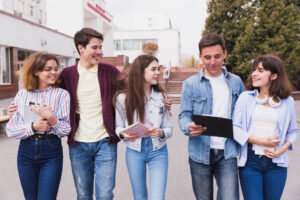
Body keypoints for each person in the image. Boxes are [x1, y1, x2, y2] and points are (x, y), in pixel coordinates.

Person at [178, 33, 245, 200]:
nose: (213, 62)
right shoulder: (190, 84)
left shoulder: (236, 82)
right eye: (207, 57)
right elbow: (184, 115)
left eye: (217, 56)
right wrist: (188, 127)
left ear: (225, 54)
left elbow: (245, 113)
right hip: (199, 153)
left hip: (227, 153)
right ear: (200, 57)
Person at [6, 52, 71, 200]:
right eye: (48, 69)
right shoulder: (22, 95)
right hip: (26, 152)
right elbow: (10, 130)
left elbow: (66, 129)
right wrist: (33, 127)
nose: (54, 72)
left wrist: (51, 117)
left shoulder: (62, 95)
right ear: (36, 71)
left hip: (51, 151)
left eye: (56, 68)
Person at [232, 54, 298, 200]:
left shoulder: (288, 102)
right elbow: (235, 128)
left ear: (274, 76)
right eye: (254, 70)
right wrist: (260, 141)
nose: (254, 74)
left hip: (277, 163)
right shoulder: (245, 98)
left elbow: (293, 131)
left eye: (260, 70)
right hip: (250, 162)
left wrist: (283, 148)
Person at [114, 55, 172, 200]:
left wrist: (160, 132)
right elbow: (118, 126)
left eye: (158, 69)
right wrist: (123, 134)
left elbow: (169, 128)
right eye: (153, 69)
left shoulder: (162, 96)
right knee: (139, 197)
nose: (158, 72)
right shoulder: (122, 99)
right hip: (134, 152)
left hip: (158, 151)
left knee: (157, 197)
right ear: (140, 72)